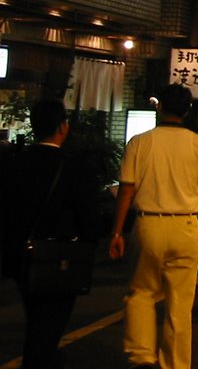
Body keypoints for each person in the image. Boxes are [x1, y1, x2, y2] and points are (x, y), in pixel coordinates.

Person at [108, 83, 198, 369]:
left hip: (149, 224)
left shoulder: (140, 142)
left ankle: (142, 355)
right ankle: (175, 364)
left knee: (141, 292)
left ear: (159, 106)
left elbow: (127, 190)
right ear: (187, 110)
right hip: (186, 225)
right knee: (180, 303)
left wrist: (117, 231)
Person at [1, 99, 100, 369]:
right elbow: (88, 216)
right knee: (51, 324)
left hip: (22, 256)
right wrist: (90, 244)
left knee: (36, 319)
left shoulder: (14, 164)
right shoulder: (74, 167)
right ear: (62, 128)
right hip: (61, 258)